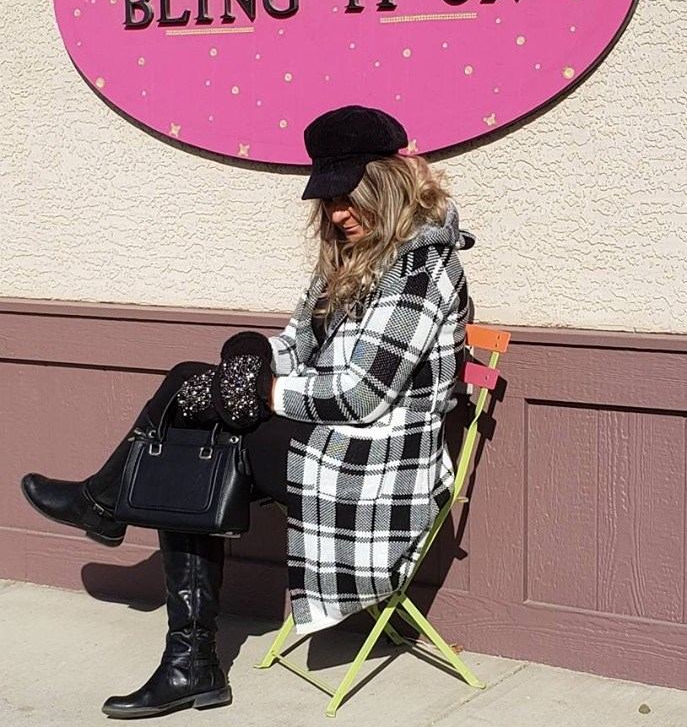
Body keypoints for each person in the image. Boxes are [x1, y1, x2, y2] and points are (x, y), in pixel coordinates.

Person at [20, 104, 475, 720]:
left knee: (194, 441)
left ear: (386, 187)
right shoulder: (352, 257)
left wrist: (257, 392)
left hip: (376, 463)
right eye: (328, 200)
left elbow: (361, 395)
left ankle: (158, 602)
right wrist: (254, 359)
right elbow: (295, 343)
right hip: (327, 438)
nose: (337, 214)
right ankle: (173, 631)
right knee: (192, 396)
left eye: (348, 198)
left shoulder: (423, 269)